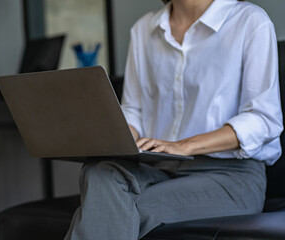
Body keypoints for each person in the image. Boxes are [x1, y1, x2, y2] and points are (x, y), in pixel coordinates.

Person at [64, 0, 283, 239]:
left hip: (230, 176)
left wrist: (184, 145)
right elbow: (134, 110)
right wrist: (114, 139)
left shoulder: (250, 21)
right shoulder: (143, 29)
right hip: (159, 167)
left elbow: (264, 119)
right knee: (99, 170)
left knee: (113, 211)